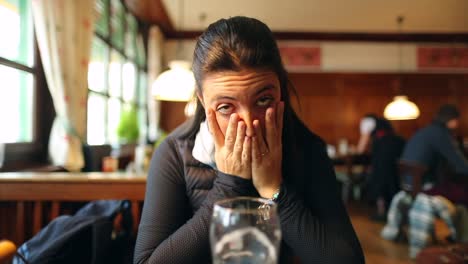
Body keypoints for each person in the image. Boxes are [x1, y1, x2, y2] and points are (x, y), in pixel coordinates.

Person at [134, 16, 364, 263]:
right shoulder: (174, 153)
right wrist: (228, 186)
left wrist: (274, 191)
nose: (249, 122)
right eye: (225, 107)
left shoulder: (307, 149)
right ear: (202, 101)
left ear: (280, 89)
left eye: (263, 100)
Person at [400, 104, 468, 207]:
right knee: (462, 192)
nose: (458, 123)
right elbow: (458, 162)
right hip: (425, 188)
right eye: (457, 120)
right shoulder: (440, 134)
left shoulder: (426, 131)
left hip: (408, 186)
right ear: (451, 120)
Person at [356, 114, 405, 221]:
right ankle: (395, 212)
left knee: (378, 180)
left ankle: (382, 212)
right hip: (397, 146)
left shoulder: (366, 121)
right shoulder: (381, 122)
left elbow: (361, 148)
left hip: (383, 149)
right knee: (393, 179)